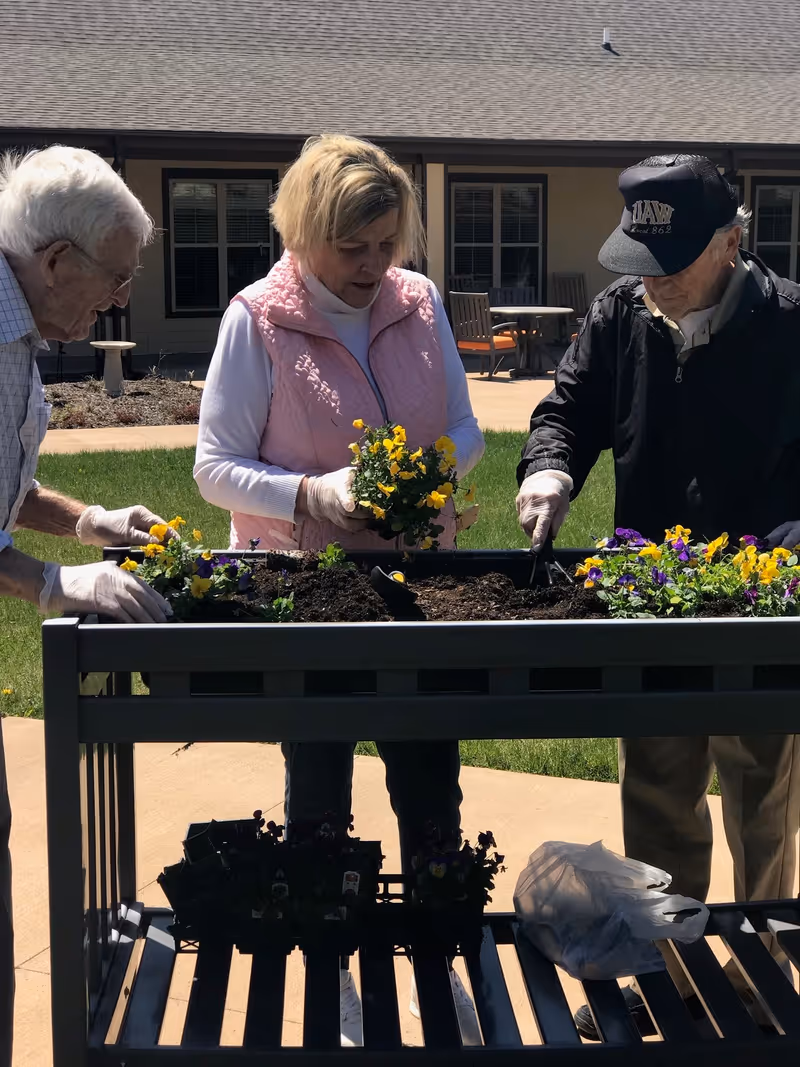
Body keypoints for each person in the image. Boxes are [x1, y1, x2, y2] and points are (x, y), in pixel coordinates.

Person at [195, 133, 485, 1045]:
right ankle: (333, 968)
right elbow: (212, 466)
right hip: (308, 588)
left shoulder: (419, 301)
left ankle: (440, 959)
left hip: (420, 583)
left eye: (388, 244)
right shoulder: (257, 318)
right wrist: (309, 494)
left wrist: (428, 478)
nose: (373, 267)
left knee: (430, 778)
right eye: (352, 249)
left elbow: (468, 429)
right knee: (319, 780)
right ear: (306, 233)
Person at [515, 154, 800, 1038]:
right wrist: (551, 469)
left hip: (764, 598)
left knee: (761, 797)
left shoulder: (791, 324)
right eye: (638, 268)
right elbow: (565, 408)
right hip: (655, 598)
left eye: (670, 268)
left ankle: (764, 973)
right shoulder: (619, 315)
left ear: (732, 242)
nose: (652, 287)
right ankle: (674, 973)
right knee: (659, 789)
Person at [0, 145, 173, 1067]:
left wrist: (87, 522)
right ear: (59, 262)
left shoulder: (18, 328)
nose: (119, 296)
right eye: (116, 276)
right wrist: (50, 584)